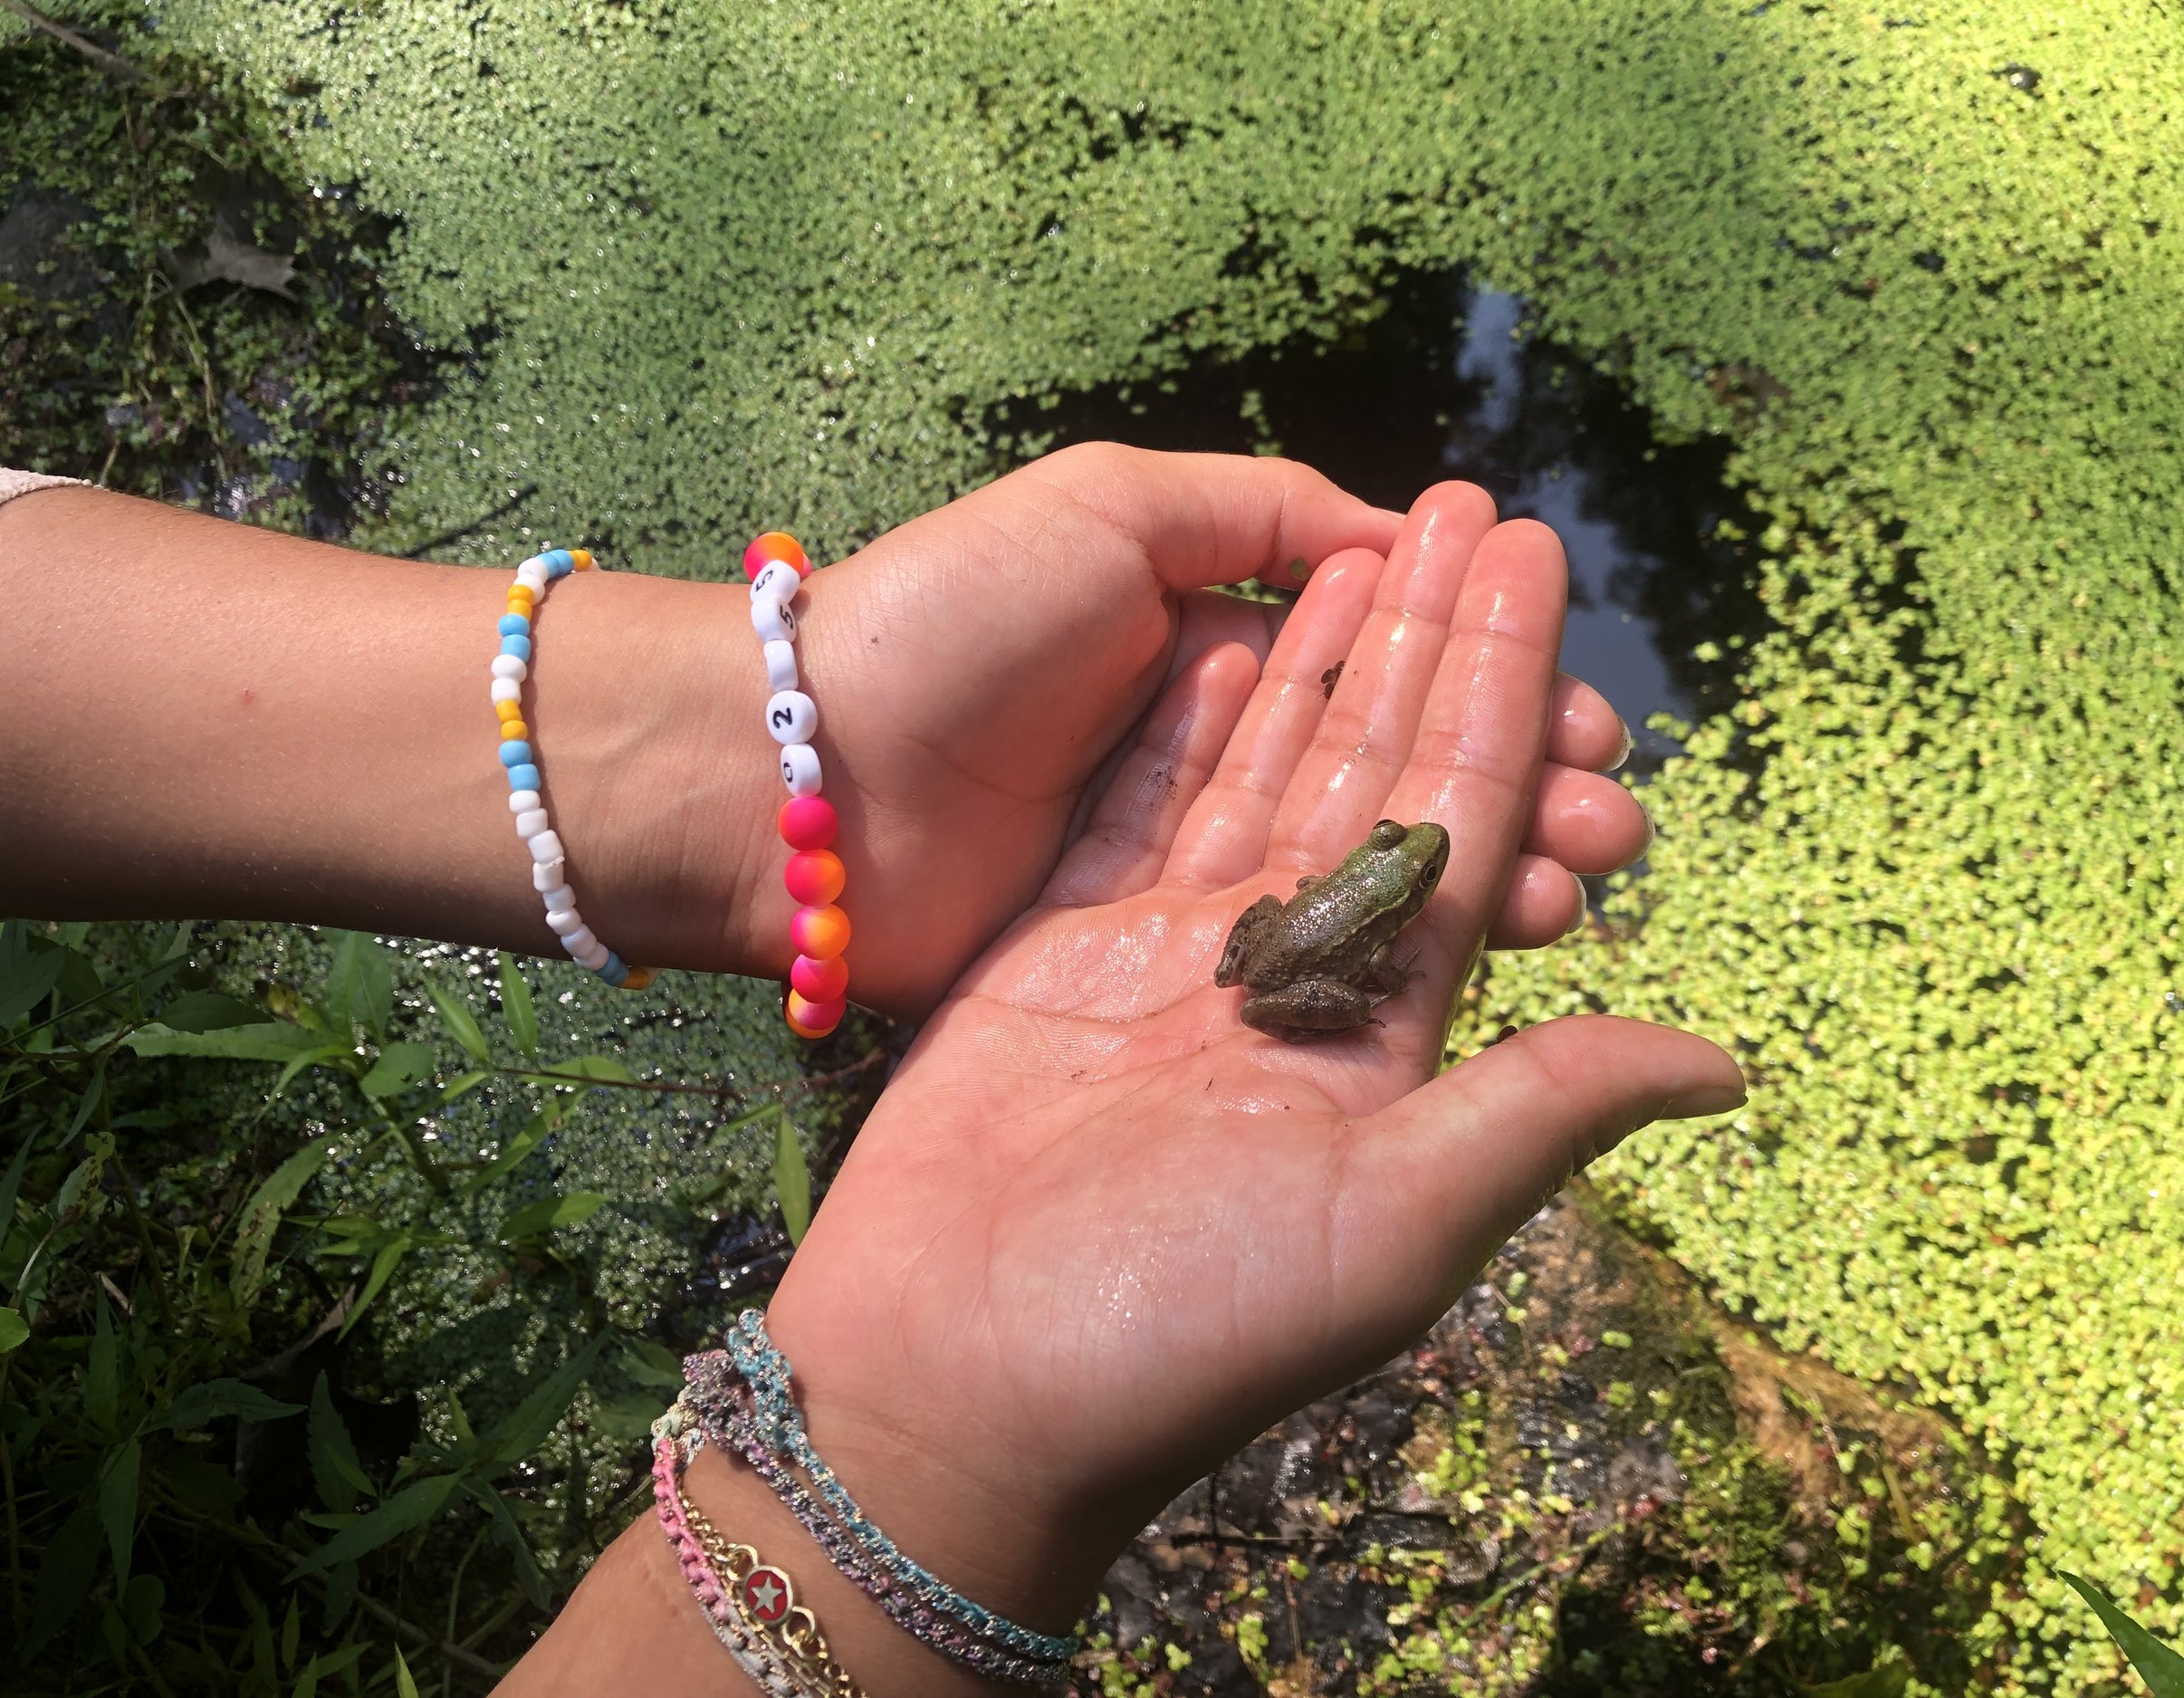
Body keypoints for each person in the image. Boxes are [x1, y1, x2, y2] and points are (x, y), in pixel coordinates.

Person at [0, 447, 1743, 1694]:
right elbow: (1317, 936)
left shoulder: (1363, 883)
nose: (1419, 869)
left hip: (1275, 939)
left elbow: (1305, 918)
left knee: (1300, 936)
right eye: (1415, 865)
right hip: (1289, 958)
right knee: (1317, 944)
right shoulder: (1378, 900)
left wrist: (757, 729)